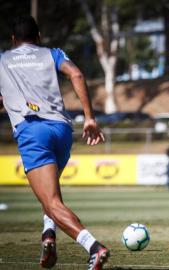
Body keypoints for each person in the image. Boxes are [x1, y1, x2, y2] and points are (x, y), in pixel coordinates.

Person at [0, 16, 109, 269]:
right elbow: (77, 75)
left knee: (51, 201)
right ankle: (48, 234)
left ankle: (94, 247)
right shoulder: (52, 53)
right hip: (61, 130)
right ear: (38, 37)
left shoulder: (3, 59)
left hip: (32, 130)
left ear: (13, 40)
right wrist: (90, 118)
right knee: (50, 193)